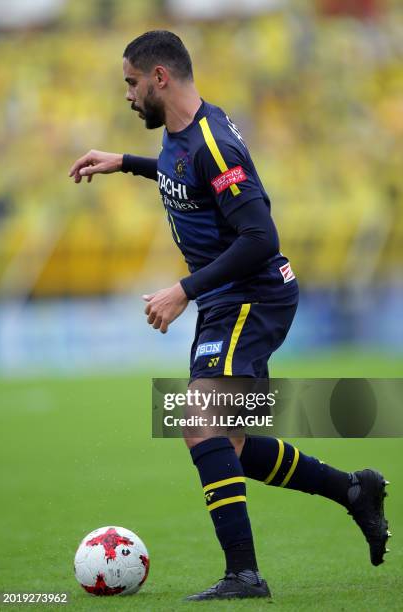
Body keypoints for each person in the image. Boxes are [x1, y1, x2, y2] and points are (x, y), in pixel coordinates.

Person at [69, 30, 390, 601]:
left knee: (197, 419)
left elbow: (261, 237)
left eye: (131, 83)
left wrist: (184, 290)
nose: (127, 94)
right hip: (230, 299)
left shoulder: (214, 141)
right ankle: (353, 491)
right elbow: (181, 175)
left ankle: (245, 576)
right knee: (232, 444)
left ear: (159, 78)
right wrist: (124, 163)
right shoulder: (183, 133)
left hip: (252, 296)